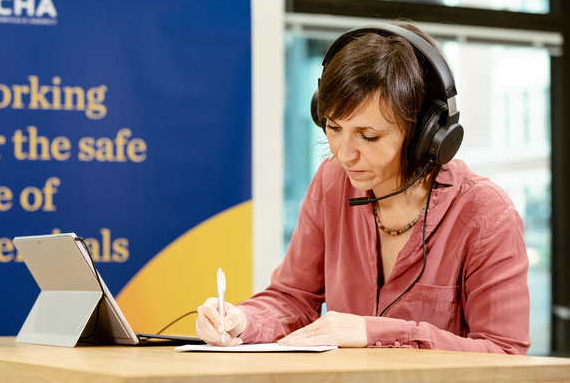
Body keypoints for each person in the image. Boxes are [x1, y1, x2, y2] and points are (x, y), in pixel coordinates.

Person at [195, 22, 530, 355]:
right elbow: (292, 298)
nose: (344, 153)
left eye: (369, 136)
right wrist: (243, 320)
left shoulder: (486, 213)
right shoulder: (332, 182)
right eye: (334, 127)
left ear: (424, 134)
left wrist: (374, 331)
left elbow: (505, 353)